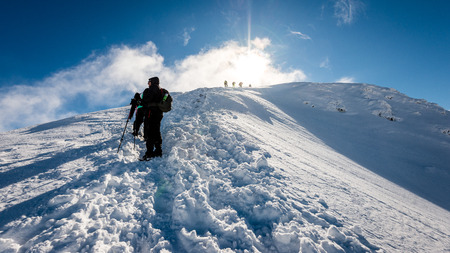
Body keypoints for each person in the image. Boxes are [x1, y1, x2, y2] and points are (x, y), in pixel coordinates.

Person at [140, 77, 164, 161]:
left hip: (152, 113)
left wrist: (140, 100)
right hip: (158, 113)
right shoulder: (159, 89)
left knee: (150, 133)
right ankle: (158, 151)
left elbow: (147, 100)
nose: (148, 83)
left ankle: (149, 153)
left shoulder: (153, 88)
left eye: (149, 81)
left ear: (152, 82)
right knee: (156, 132)